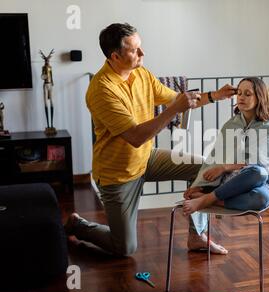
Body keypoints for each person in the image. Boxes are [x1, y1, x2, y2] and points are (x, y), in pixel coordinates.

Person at [64, 23, 236, 256]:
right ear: (115, 56)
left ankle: (197, 237)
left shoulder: (141, 73)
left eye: (140, 46)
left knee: (202, 168)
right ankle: (79, 226)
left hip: (147, 158)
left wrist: (215, 96)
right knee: (124, 247)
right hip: (118, 174)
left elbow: (177, 99)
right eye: (135, 50)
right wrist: (174, 110)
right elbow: (135, 136)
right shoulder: (101, 90)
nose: (142, 53)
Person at [182, 77, 269, 239]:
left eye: (248, 94)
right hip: (230, 184)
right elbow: (215, 156)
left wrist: (225, 167)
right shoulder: (230, 125)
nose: (241, 97)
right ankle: (211, 197)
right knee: (257, 173)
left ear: (259, 97)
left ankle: (211, 200)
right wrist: (200, 185)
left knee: (261, 184)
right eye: (239, 93)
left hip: (256, 181)